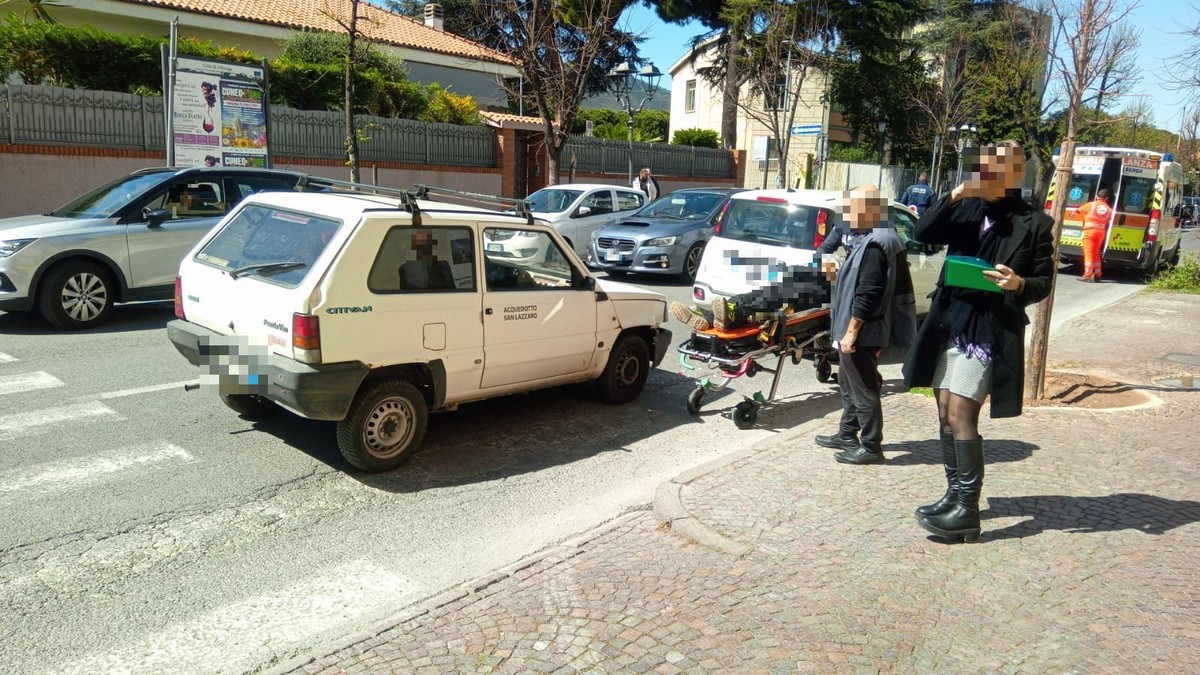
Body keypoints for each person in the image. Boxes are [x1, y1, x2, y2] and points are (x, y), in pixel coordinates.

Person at [902, 140, 1055, 543]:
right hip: (950, 320)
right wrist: (953, 195)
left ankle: (967, 511)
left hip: (989, 328)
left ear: (1009, 176)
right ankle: (953, 494)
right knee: (942, 412)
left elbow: (1043, 281)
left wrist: (1017, 282)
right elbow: (923, 232)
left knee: (960, 413)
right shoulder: (967, 208)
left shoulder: (1034, 222)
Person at [814, 184, 917, 465]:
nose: (846, 214)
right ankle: (847, 433)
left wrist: (851, 333)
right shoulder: (872, 235)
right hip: (854, 324)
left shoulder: (876, 243)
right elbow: (826, 253)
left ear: (871, 209)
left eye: (851, 208)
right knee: (849, 381)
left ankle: (871, 445)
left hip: (863, 329)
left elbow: (868, 294)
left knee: (863, 387)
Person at [1072, 187, 1112, 282]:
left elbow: (1078, 211)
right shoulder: (1109, 209)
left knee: (1088, 252)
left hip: (1090, 232)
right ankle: (1098, 273)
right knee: (1096, 252)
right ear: (1106, 198)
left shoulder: (1091, 205)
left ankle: (1088, 274)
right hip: (1100, 233)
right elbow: (1107, 221)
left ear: (1097, 196)